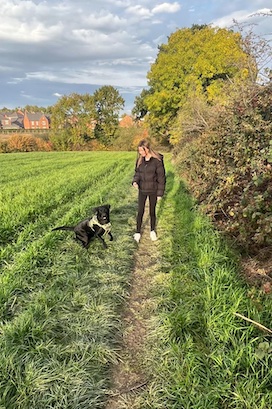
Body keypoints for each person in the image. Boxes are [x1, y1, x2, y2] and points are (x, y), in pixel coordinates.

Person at [132, 139, 166, 243]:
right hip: (142, 189)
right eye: (139, 151)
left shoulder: (157, 161)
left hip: (153, 190)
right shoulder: (140, 160)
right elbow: (137, 173)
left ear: (147, 149)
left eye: (142, 151)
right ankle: (137, 232)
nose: (140, 153)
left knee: (152, 211)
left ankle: (152, 231)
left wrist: (160, 193)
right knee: (140, 211)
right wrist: (135, 181)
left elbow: (161, 178)